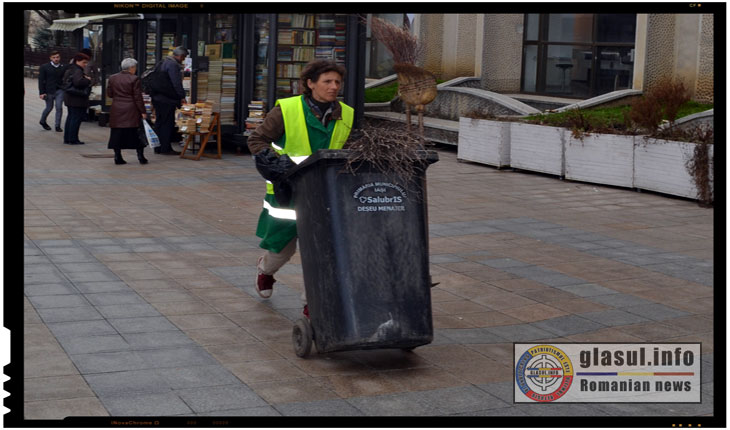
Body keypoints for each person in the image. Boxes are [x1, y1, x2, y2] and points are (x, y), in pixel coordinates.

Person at [247, 59, 354, 317]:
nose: (333, 87)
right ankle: (265, 270)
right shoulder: (287, 109)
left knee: (320, 251)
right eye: (327, 81)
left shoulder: (347, 114)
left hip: (325, 193)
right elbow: (257, 139)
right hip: (288, 193)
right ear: (310, 83)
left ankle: (311, 306)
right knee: (282, 248)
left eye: (337, 82)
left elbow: (349, 150)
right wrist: (275, 165)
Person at [106, 58, 148, 165]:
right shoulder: (134, 79)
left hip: (117, 109)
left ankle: (117, 156)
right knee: (136, 133)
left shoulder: (112, 78)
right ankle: (140, 156)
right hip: (131, 109)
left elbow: (110, 94)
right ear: (131, 68)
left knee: (117, 134)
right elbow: (138, 97)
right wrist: (143, 111)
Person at [150, 46, 188, 155]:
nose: (183, 60)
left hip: (157, 97)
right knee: (167, 123)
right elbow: (176, 83)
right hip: (167, 98)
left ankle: (157, 147)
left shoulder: (162, 62)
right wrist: (181, 96)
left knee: (159, 122)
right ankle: (166, 148)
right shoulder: (173, 65)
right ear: (180, 56)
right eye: (183, 57)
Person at [62, 52, 91, 145]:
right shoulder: (77, 70)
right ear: (77, 61)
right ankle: (73, 139)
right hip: (77, 99)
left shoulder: (70, 68)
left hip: (69, 97)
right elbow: (78, 82)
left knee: (70, 117)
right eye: (84, 62)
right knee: (75, 118)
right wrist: (87, 80)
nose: (85, 65)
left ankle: (67, 138)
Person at [38, 51, 66, 132]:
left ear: (60, 58)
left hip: (59, 90)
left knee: (59, 107)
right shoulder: (44, 67)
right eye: (54, 57)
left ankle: (57, 125)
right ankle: (42, 121)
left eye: (57, 57)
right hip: (49, 90)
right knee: (49, 107)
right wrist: (41, 92)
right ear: (50, 58)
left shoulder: (63, 66)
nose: (56, 59)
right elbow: (41, 80)